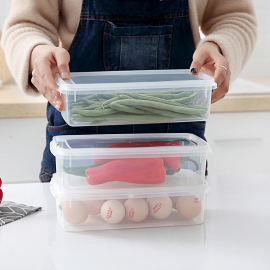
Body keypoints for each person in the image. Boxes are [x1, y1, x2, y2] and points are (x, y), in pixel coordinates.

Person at [1, 0, 257, 182]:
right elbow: (24, 25)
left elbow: (235, 16)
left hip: (175, 155)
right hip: (80, 155)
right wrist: (37, 53)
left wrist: (220, 48)